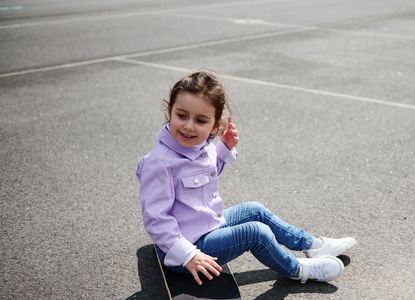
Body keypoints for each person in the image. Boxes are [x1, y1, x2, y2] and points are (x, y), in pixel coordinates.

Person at [136, 70, 356, 285]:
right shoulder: (160, 163)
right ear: (169, 110)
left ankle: (313, 245)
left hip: (208, 226)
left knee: (255, 210)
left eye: (200, 120)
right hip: (185, 253)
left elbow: (206, 175)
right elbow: (156, 219)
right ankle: (297, 269)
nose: (189, 126)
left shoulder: (200, 146)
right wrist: (188, 256)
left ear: (215, 125)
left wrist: (224, 148)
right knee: (255, 233)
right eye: (181, 115)